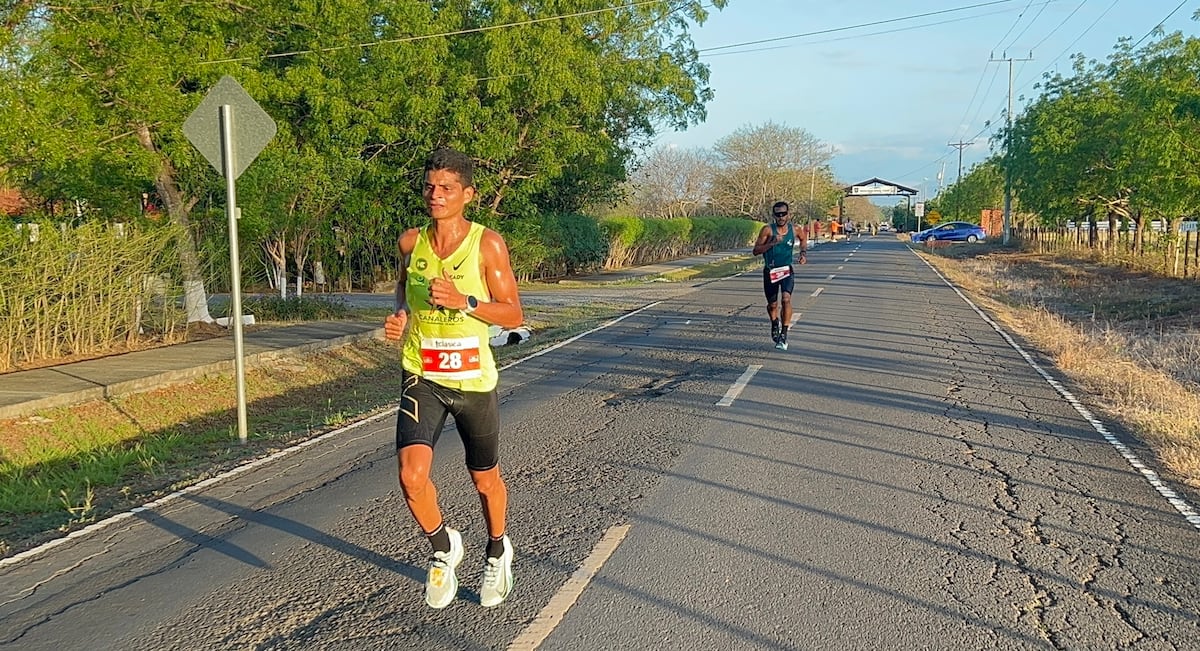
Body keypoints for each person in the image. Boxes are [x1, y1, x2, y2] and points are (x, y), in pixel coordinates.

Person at [383, 148, 524, 609]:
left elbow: (513, 314)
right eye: (429, 186)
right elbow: (404, 287)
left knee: (484, 479)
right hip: (421, 373)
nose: (435, 195)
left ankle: (498, 549)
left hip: (473, 381)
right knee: (411, 475)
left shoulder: (488, 245)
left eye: (446, 188)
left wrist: (465, 302)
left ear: (468, 194)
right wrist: (401, 314)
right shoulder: (410, 241)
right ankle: (444, 548)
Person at [751, 201, 806, 350]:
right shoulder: (768, 230)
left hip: (786, 270)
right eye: (778, 214)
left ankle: (784, 333)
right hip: (771, 271)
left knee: (786, 299)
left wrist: (802, 253)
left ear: (788, 214)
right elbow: (756, 251)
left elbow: (803, 239)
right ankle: (775, 322)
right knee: (772, 305)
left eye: (783, 214)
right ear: (774, 215)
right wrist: (771, 243)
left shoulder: (795, 229)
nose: (781, 217)